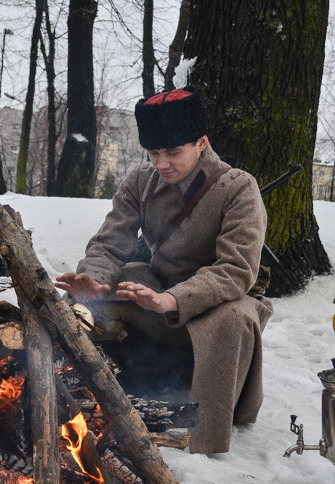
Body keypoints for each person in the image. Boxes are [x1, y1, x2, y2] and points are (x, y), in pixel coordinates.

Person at [56, 87, 272, 454]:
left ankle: (202, 436)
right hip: (155, 291)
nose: (162, 163)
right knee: (76, 305)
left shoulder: (238, 188)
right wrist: (94, 279)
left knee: (234, 318)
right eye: (154, 153)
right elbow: (110, 242)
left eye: (173, 152)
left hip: (215, 302)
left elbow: (236, 270)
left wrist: (172, 299)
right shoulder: (140, 181)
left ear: (201, 142)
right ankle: (67, 403)